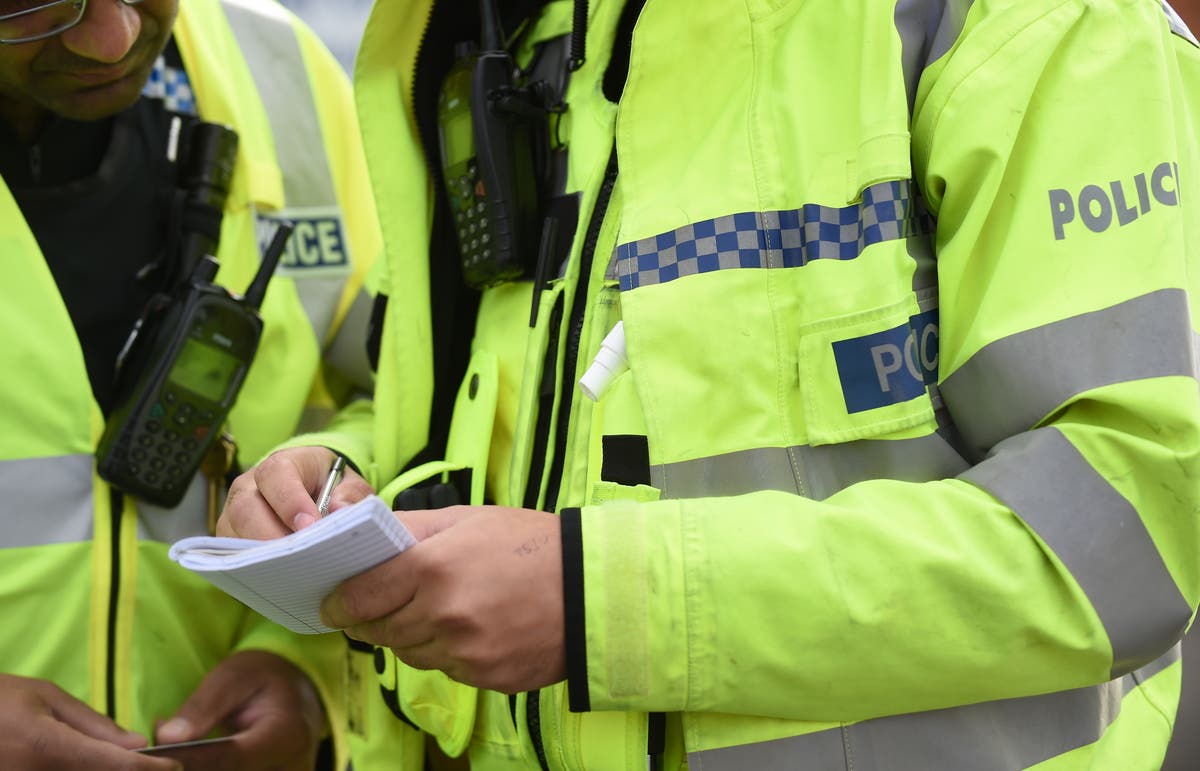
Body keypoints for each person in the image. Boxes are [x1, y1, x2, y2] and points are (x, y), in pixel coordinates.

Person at [220, 0, 1200, 768]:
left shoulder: (1030, 20)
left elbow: (1126, 528)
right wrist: (334, 481)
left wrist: (599, 606)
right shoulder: (512, 30)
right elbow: (483, 407)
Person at [0, 0, 380, 768]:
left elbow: (411, 407)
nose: (112, 39)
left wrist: (308, 668)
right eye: (32, 5)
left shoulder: (287, 69)